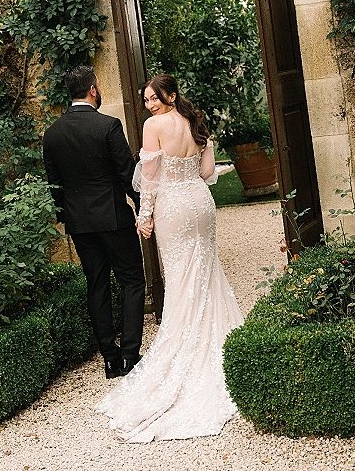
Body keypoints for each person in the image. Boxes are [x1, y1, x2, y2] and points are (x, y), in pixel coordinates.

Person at [96, 74, 244, 442]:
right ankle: (223, 344)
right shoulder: (196, 123)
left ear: (170, 95)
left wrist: (144, 216)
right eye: (145, 100)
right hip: (201, 202)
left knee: (181, 277)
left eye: (153, 97)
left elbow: (148, 175)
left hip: (173, 208)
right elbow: (208, 172)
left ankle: (187, 347)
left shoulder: (153, 126)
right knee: (206, 272)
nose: (149, 104)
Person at [42, 65, 145, 379]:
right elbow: (129, 176)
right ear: (92, 90)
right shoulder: (108, 126)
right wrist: (144, 208)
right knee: (132, 281)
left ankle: (110, 361)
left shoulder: (52, 133)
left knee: (96, 285)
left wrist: (66, 217)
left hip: (80, 224)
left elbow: (54, 185)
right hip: (114, 218)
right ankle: (129, 355)